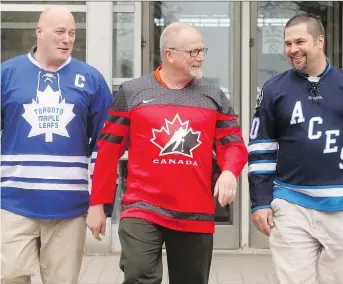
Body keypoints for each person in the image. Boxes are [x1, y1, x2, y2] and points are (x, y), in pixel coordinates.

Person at [86, 22, 248, 284]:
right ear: (169, 54)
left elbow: (233, 144)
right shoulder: (132, 92)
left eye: (202, 50)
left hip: (195, 211)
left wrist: (229, 171)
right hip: (142, 207)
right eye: (193, 52)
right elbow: (108, 151)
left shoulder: (214, 95)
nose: (200, 58)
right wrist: (98, 205)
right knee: (139, 275)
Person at [1, 7, 113, 284]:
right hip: (13, 201)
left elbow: (106, 146)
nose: (67, 40)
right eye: (60, 32)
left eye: (72, 33)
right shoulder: (7, 74)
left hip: (70, 207)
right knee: (9, 277)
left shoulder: (91, 80)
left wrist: (100, 203)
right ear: (39, 32)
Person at [248, 13, 343, 284]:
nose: (293, 49)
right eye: (288, 44)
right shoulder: (274, 89)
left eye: (300, 41)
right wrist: (260, 202)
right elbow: (260, 149)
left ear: (320, 41)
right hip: (291, 204)